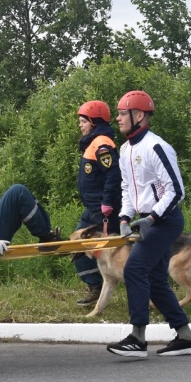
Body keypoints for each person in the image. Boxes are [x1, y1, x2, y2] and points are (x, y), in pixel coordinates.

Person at [106, 90, 191, 358]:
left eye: (123, 113)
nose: (118, 117)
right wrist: (124, 218)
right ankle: (186, 336)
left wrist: (151, 219)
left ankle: (137, 338)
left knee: (134, 269)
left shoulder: (157, 147)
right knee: (154, 278)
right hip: (143, 221)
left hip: (165, 220)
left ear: (139, 116)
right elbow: (127, 189)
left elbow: (176, 190)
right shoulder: (125, 149)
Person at [71, 101, 121, 306]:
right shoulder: (93, 142)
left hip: (103, 211)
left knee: (117, 254)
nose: (80, 125)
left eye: (83, 121)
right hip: (92, 209)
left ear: (93, 122)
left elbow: (113, 175)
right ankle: (96, 287)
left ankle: (147, 291)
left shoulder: (102, 143)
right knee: (76, 245)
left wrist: (107, 203)